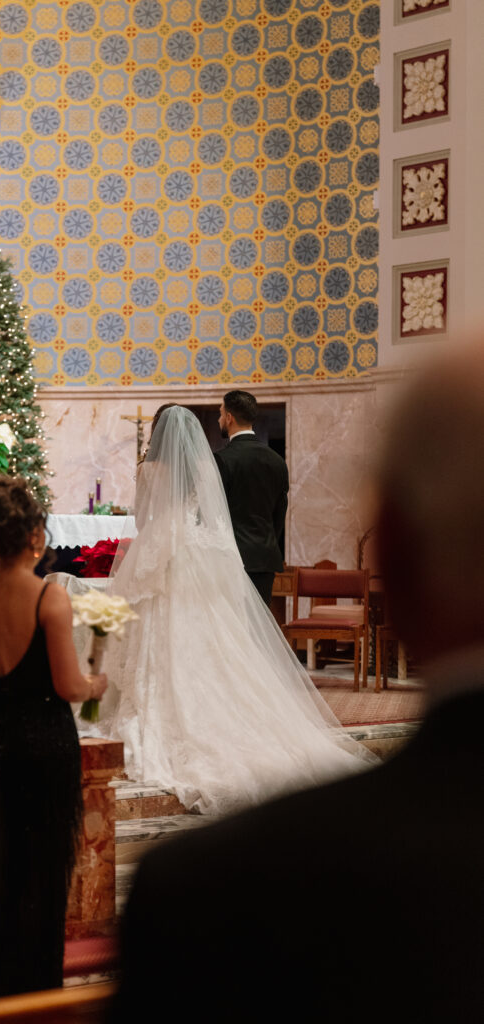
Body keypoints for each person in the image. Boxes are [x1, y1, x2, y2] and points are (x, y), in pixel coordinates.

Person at [112, 345, 484, 1022]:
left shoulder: (212, 882)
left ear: (396, 556)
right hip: (238, 559)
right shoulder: (276, 461)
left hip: (200, 560)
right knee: (239, 650)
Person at [98, 405, 375, 816]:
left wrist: (158, 534)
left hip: (160, 553)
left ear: (156, 434)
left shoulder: (149, 470)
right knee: (213, 638)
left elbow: (143, 521)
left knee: (157, 631)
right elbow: (213, 516)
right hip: (198, 553)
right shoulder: (205, 465)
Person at [0, 474, 107, 999]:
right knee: (40, 872)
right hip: (42, 742)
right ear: (34, 536)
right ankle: (34, 997)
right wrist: (98, 682)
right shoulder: (49, 599)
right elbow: (68, 687)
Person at [215, 389, 288, 606]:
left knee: (233, 628)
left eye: (221, 414)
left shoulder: (222, 460)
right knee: (259, 629)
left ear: (229, 418)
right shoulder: (277, 460)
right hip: (265, 558)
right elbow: (279, 512)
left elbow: (215, 511)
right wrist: (266, 540)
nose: (220, 419)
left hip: (231, 558)